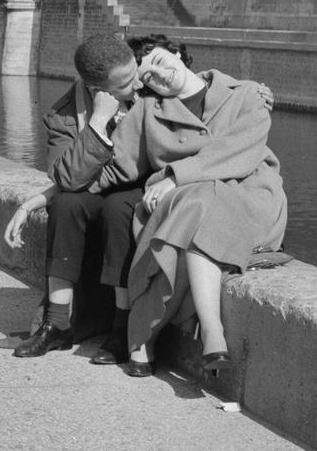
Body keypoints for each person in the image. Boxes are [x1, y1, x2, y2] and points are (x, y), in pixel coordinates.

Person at [119, 43, 287, 378]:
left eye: (160, 61)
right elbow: (119, 166)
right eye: (148, 74)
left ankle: (144, 333)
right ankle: (214, 335)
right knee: (199, 205)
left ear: (177, 54)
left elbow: (240, 150)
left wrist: (175, 177)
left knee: (199, 203)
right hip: (187, 203)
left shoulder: (248, 94)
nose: (160, 74)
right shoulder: (147, 109)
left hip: (250, 198)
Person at [4, 33, 145, 361]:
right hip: (93, 187)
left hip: (141, 188)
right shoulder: (66, 115)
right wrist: (97, 122)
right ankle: (57, 326)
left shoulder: (149, 85)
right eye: (125, 83)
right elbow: (66, 178)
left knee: (117, 208)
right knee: (66, 205)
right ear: (99, 90)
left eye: (134, 71)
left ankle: (123, 330)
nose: (136, 83)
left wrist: (253, 93)